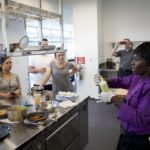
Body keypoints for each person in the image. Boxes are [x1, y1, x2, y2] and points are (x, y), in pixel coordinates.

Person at [95, 42, 150, 150]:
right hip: (127, 133)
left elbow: (139, 119)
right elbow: (122, 81)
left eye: (137, 59)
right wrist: (105, 81)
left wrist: (114, 99)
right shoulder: (137, 77)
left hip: (140, 140)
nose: (132, 63)